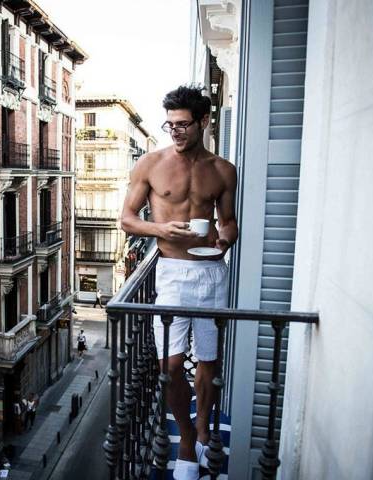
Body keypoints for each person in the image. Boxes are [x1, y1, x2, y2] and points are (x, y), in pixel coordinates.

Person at [120, 84, 238, 480]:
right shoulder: (151, 164)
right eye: (170, 124)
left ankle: (202, 429)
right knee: (169, 367)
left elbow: (229, 221)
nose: (176, 131)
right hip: (171, 274)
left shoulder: (223, 170)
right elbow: (128, 219)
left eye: (184, 124)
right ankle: (186, 437)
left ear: (204, 121)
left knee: (208, 363)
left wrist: (224, 240)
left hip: (210, 274)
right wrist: (162, 229)